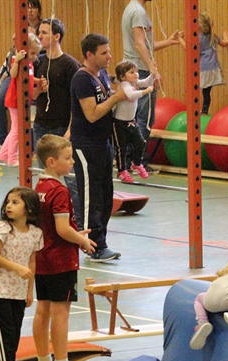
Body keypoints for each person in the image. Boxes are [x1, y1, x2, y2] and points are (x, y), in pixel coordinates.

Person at [32, 135, 95, 361]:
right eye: (67, 159)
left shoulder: (40, 188)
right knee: (60, 313)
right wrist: (82, 241)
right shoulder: (58, 190)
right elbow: (61, 228)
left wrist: (73, 232)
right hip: (60, 260)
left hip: (42, 258)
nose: (71, 163)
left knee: (42, 310)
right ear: (51, 161)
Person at [70, 33, 127, 263]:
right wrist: (116, 99)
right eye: (104, 53)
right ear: (89, 55)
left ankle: (100, 241)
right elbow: (92, 114)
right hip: (86, 145)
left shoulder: (102, 74)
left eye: (109, 51)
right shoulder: (82, 79)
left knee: (105, 196)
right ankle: (93, 246)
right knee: (90, 197)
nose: (109, 57)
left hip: (104, 143)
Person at [0, 186, 44, 361]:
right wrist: (17, 268)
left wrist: (30, 291)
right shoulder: (3, 228)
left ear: (29, 209)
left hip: (19, 292)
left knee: (14, 334)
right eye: (8, 202)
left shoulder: (35, 233)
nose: (9, 206)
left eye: (15, 202)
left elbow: (32, 262)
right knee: (4, 334)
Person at [121, 0, 181, 170]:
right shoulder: (138, 12)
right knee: (144, 119)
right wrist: (153, 71)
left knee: (135, 117)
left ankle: (130, 161)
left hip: (135, 68)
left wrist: (168, 42)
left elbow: (145, 45)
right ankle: (138, 162)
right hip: (140, 70)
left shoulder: (133, 9)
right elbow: (140, 44)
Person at [33, 18, 80, 147]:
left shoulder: (70, 65)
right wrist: (39, 89)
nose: (40, 36)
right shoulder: (38, 62)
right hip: (40, 125)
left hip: (61, 126)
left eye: (44, 33)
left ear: (56, 36)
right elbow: (32, 96)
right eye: (39, 32)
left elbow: (76, 101)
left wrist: (70, 130)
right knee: (43, 167)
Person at [0, 33, 41, 166]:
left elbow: (30, 78)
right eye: (32, 53)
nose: (35, 57)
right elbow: (13, 74)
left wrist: (39, 82)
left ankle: (3, 154)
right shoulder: (19, 60)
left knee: (15, 129)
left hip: (22, 99)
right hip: (16, 99)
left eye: (36, 54)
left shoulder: (30, 64)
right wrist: (16, 61)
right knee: (17, 129)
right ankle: (11, 158)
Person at [112, 60, 156, 183]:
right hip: (120, 124)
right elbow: (131, 95)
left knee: (140, 142)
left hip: (132, 121)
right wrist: (146, 91)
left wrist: (152, 74)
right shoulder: (125, 85)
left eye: (136, 71)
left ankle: (136, 163)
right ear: (122, 77)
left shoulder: (133, 83)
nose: (136, 74)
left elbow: (146, 82)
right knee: (122, 148)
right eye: (132, 72)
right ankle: (121, 170)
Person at [198, 13, 228, 115]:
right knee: (206, 92)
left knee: (205, 92)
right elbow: (225, 43)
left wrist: (180, 39)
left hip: (204, 69)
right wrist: (226, 36)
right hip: (213, 67)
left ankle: (204, 111)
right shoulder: (213, 37)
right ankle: (204, 111)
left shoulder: (199, 38)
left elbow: (188, 49)